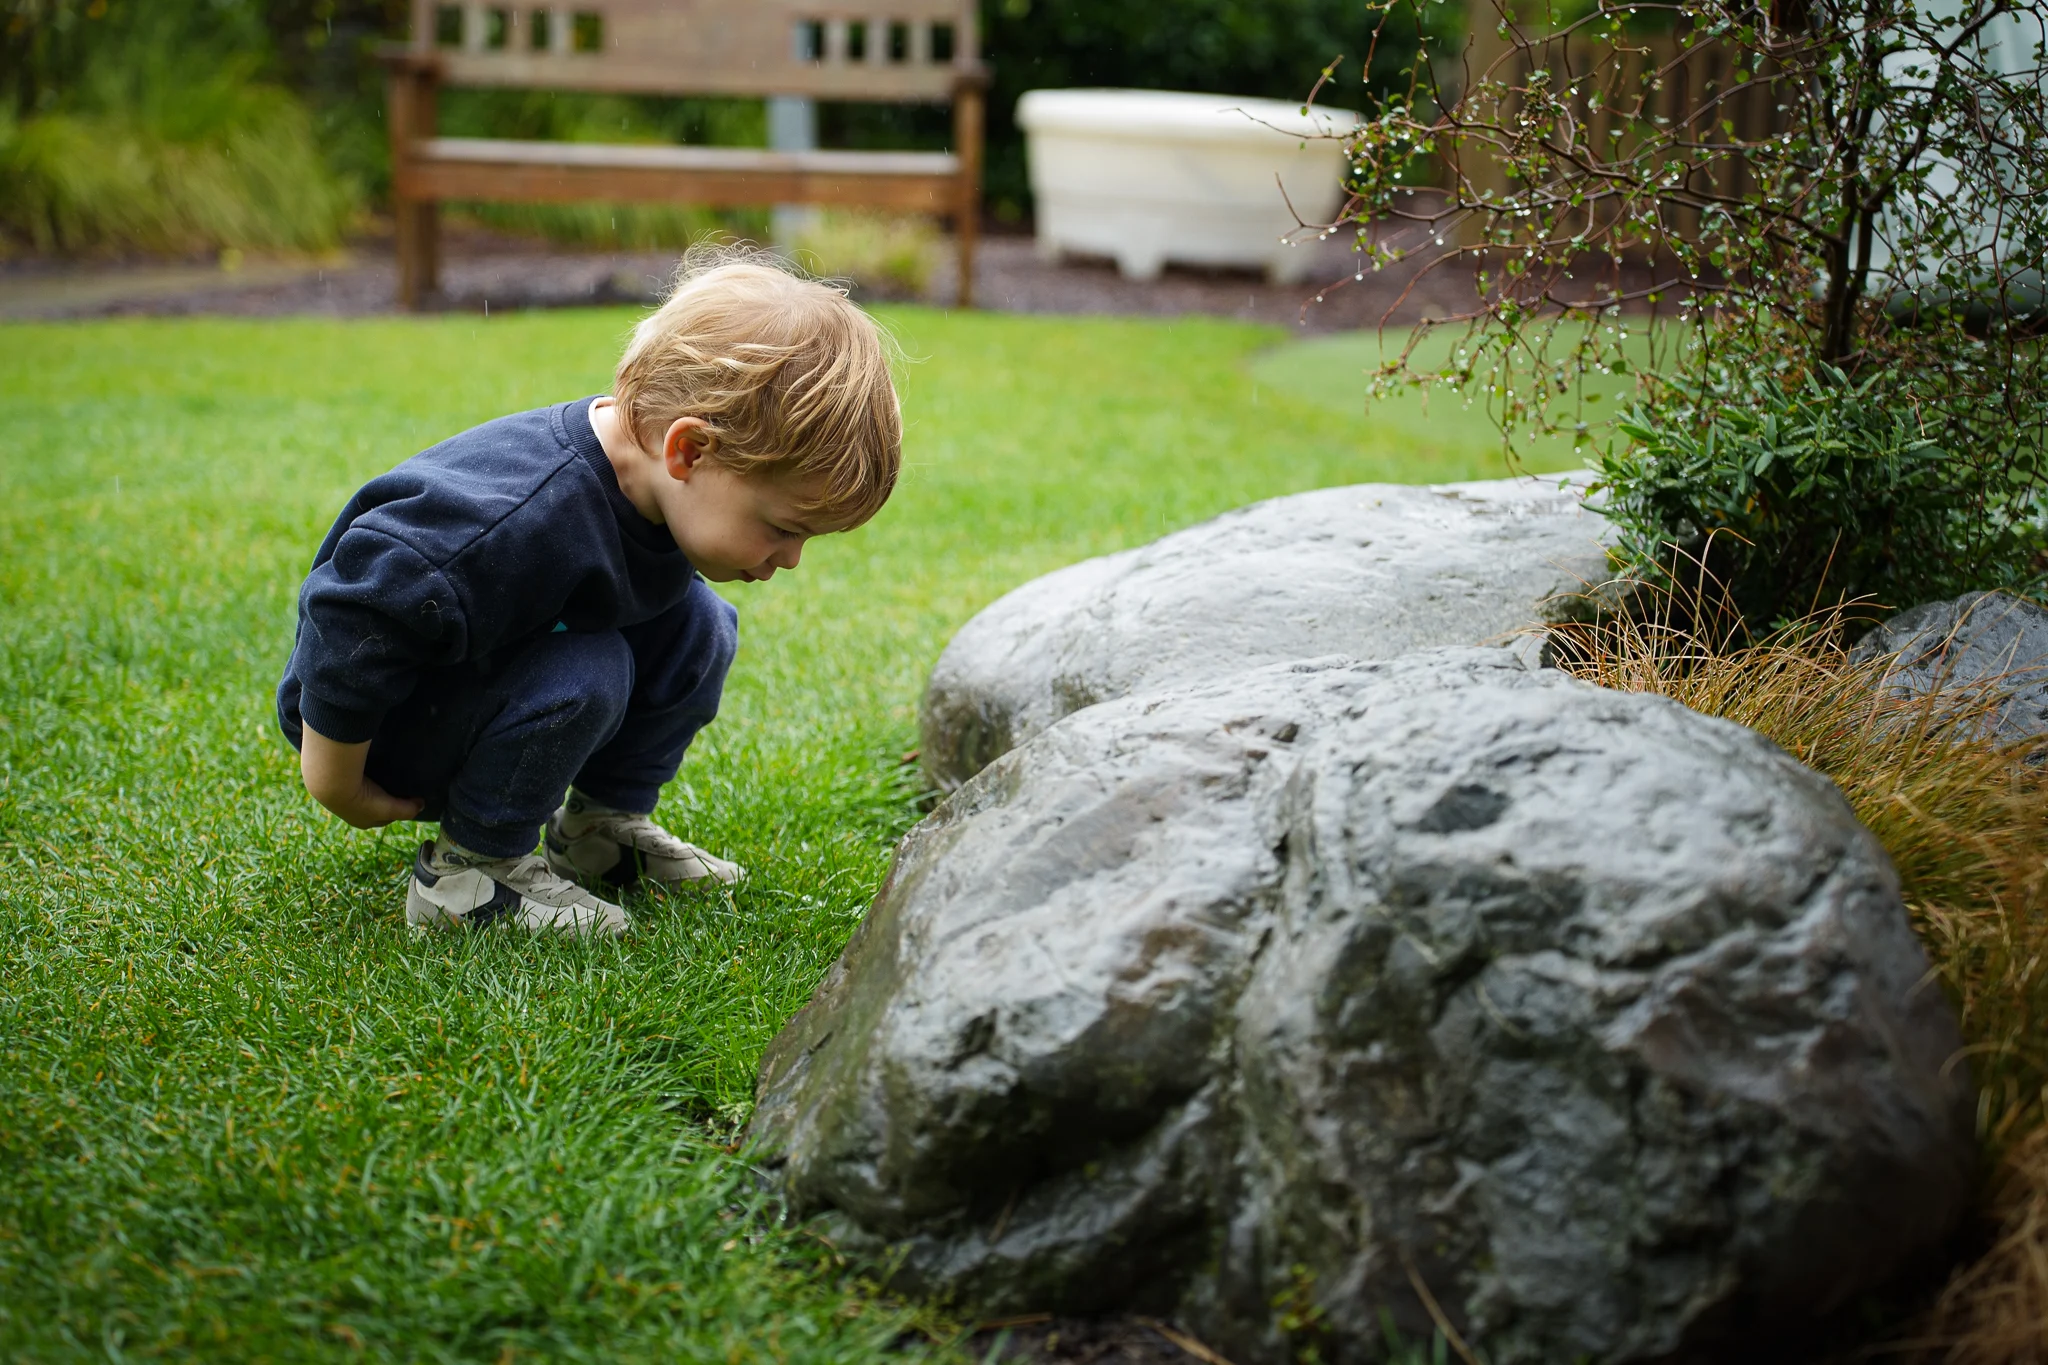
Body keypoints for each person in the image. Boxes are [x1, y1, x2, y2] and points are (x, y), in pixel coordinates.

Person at [276, 249, 901, 937]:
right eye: (783, 528)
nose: (790, 559)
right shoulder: (524, 513)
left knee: (698, 625)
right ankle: (468, 873)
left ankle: (598, 831)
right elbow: (355, 603)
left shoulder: (655, 493)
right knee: (591, 668)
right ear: (688, 451)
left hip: (477, 680)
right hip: (381, 728)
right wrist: (335, 776)